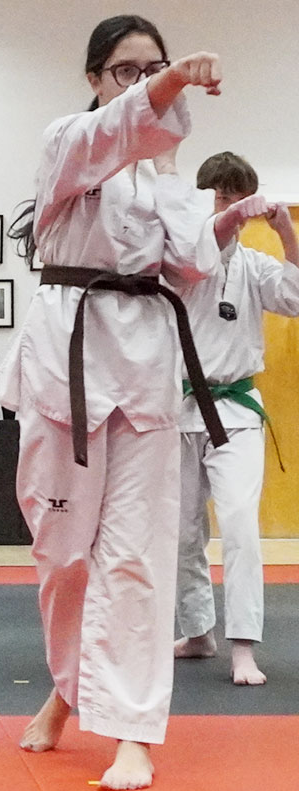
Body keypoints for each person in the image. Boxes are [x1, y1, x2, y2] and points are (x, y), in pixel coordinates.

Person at [0, 15, 224, 791]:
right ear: (95, 78)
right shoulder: (67, 142)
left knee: (136, 554)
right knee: (62, 553)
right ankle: (68, 687)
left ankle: (132, 730)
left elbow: (195, 268)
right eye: (125, 71)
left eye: (151, 69)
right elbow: (116, 135)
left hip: (147, 367)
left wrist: (199, 208)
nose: (141, 83)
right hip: (69, 357)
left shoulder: (167, 184)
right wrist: (166, 86)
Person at [171, 152, 299, 685]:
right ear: (202, 200)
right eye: (219, 197)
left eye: (235, 197)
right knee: (181, 531)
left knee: (242, 528)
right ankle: (199, 631)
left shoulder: (257, 267)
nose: (227, 206)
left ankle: (243, 645)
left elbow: (295, 298)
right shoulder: (180, 261)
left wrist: (287, 232)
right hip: (176, 411)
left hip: (237, 414)